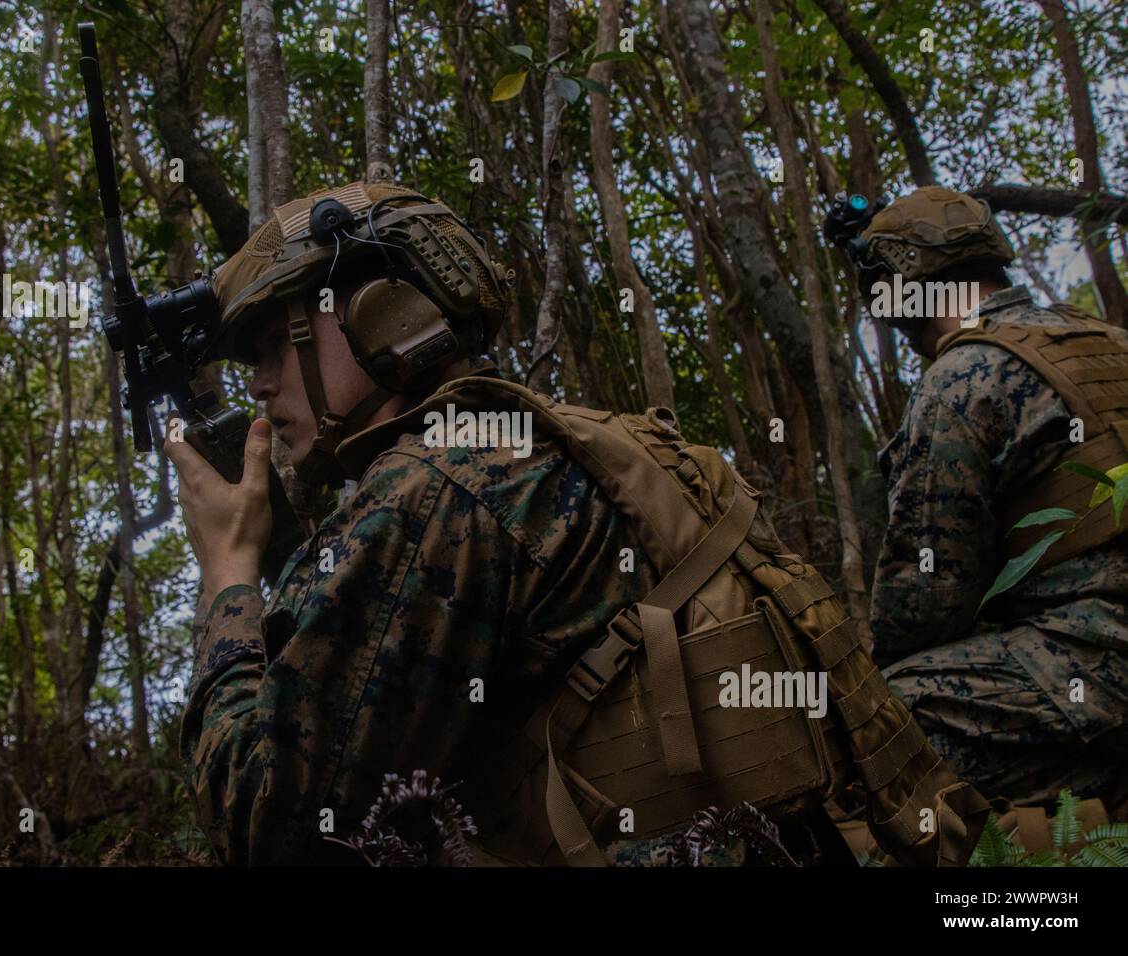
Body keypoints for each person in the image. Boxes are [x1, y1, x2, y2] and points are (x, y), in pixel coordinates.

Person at [168, 181, 986, 866]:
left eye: (278, 342)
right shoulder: (598, 442)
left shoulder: (430, 491)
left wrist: (228, 573)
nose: (263, 385)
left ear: (380, 316)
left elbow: (271, 823)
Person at [845, 186, 1128, 812]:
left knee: (876, 717)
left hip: (1103, 655)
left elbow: (922, 607)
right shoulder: (1105, 339)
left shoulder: (961, 378)